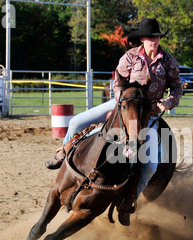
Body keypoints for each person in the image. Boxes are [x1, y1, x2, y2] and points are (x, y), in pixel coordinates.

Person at [45, 18, 182, 222]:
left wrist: (170, 102)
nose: (155, 40)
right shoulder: (130, 57)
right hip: (122, 106)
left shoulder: (168, 61)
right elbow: (117, 83)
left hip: (149, 113)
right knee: (75, 123)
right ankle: (63, 152)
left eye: (157, 37)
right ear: (142, 39)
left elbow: (177, 86)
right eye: (151, 37)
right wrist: (120, 105)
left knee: (151, 165)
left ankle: (129, 200)